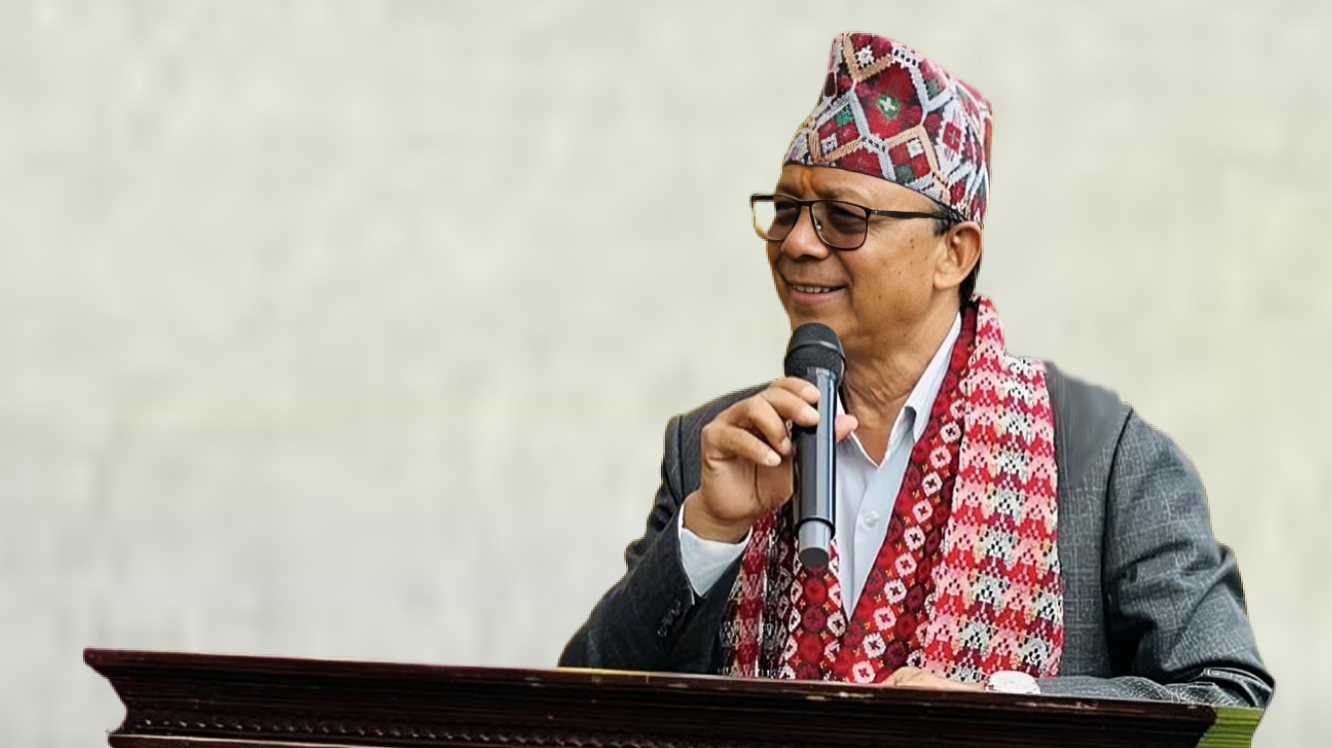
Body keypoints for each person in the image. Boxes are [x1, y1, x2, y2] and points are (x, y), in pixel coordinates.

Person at [559, 31, 1273, 706]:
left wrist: (1007, 713)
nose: (798, 242)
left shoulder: (1098, 457)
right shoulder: (716, 449)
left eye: (844, 218)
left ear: (953, 254)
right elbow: (584, 707)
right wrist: (710, 531)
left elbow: (1223, 693)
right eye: (785, 210)